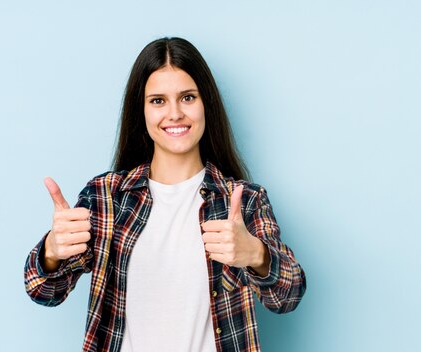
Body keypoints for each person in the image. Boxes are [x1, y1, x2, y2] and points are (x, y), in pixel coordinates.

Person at [23, 37, 307, 352]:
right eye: (158, 100)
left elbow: (288, 296)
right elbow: (43, 291)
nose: (174, 114)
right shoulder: (106, 198)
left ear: (206, 105)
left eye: (187, 97)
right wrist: (51, 252)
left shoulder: (245, 201)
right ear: (141, 111)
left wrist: (255, 254)